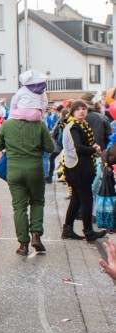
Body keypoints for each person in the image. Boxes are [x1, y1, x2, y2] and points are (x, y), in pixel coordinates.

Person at [0, 111, 55, 255]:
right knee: (37, 202)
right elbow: (50, 148)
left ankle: (23, 245)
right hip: (35, 170)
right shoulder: (39, 125)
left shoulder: (7, 124)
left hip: (14, 171)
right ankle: (36, 235)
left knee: (19, 207)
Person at [60, 100, 109, 243]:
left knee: (76, 198)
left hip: (76, 167)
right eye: (78, 109)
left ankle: (67, 229)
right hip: (78, 169)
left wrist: (92, 147)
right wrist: (94, 149)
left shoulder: (81, 124)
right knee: (86, 199)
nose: (81, 111)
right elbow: (79, 148)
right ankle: (88, 232)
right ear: (72, 111)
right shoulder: (74, 126)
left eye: (83, 109)